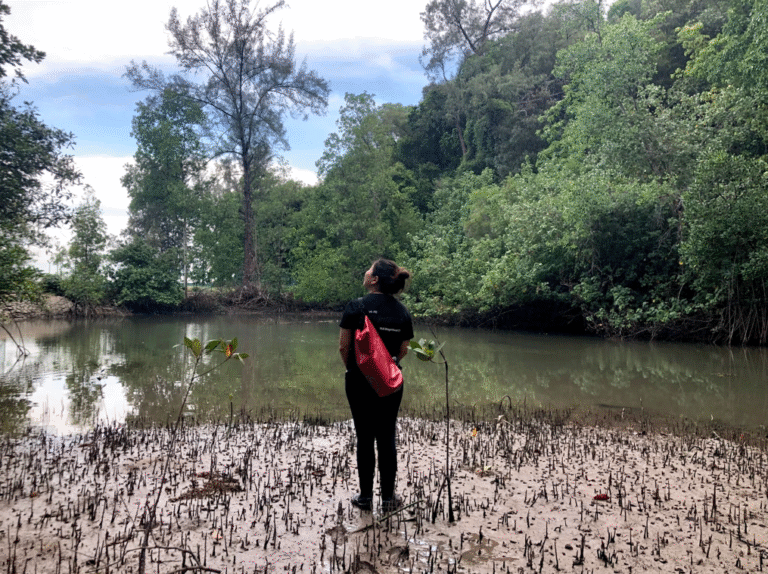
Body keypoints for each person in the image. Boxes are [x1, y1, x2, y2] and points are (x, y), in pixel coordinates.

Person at [339, 259, 414, 512]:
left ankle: (365, 498)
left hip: (359, 381)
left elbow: (344, 346)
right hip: (391, 383)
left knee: (364, 437)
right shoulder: (403, 312)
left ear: (374, 280)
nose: (366, 271)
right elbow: (403, 350)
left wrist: (355, 369)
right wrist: (384, 369)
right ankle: (389, 499)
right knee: (386, 436)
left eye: (369, 269)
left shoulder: (356, 307)